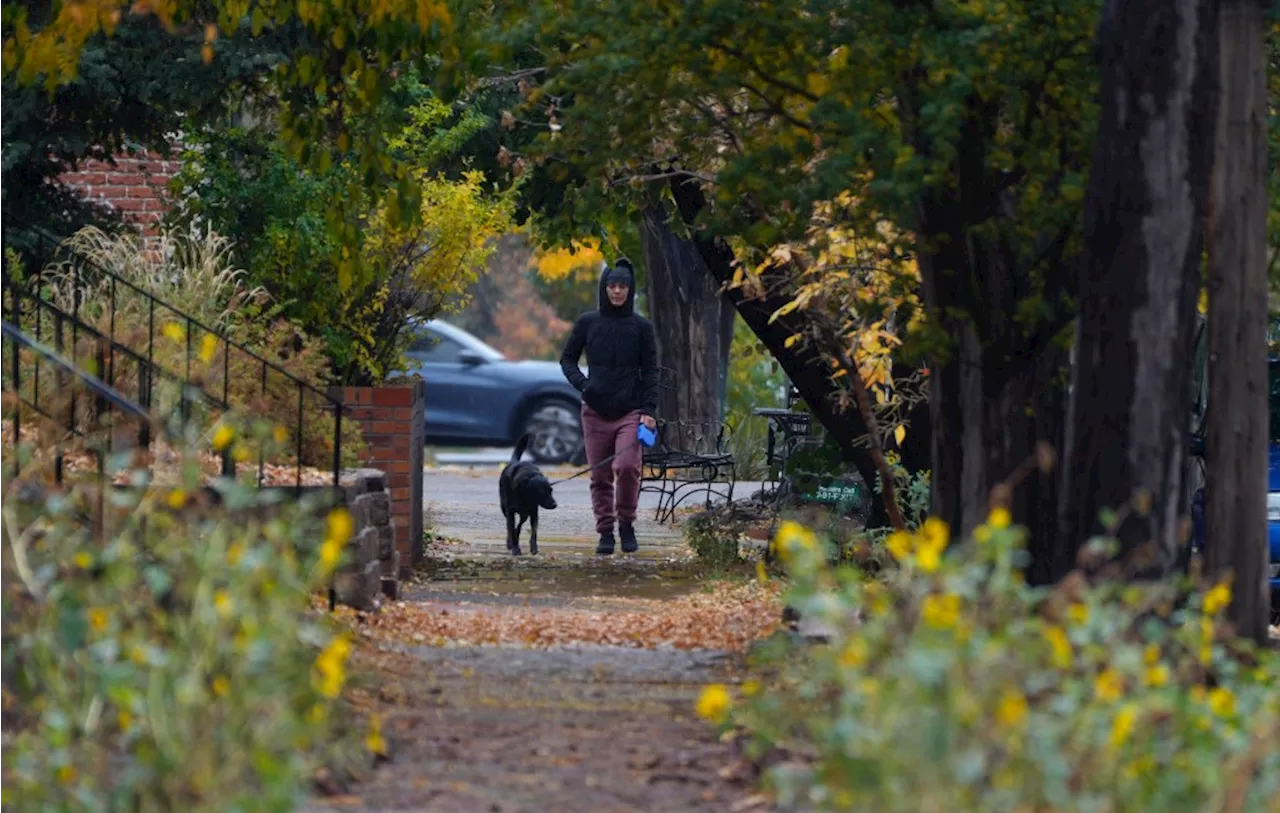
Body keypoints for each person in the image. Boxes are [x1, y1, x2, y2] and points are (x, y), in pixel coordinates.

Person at [559, 258, 659, 554]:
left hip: (630, 410)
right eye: (612, 286)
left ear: (630, 290)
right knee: (600, 475)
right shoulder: (588, 323)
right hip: (594, 411)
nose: (617, 291)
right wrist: (583, 385)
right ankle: (605, 532)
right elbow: (567, 359)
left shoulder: (642, 327)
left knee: (627, 467)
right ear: (605, 288)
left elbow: (651, 370)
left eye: (622, 286)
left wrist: (649, 411)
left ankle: (626, 524)